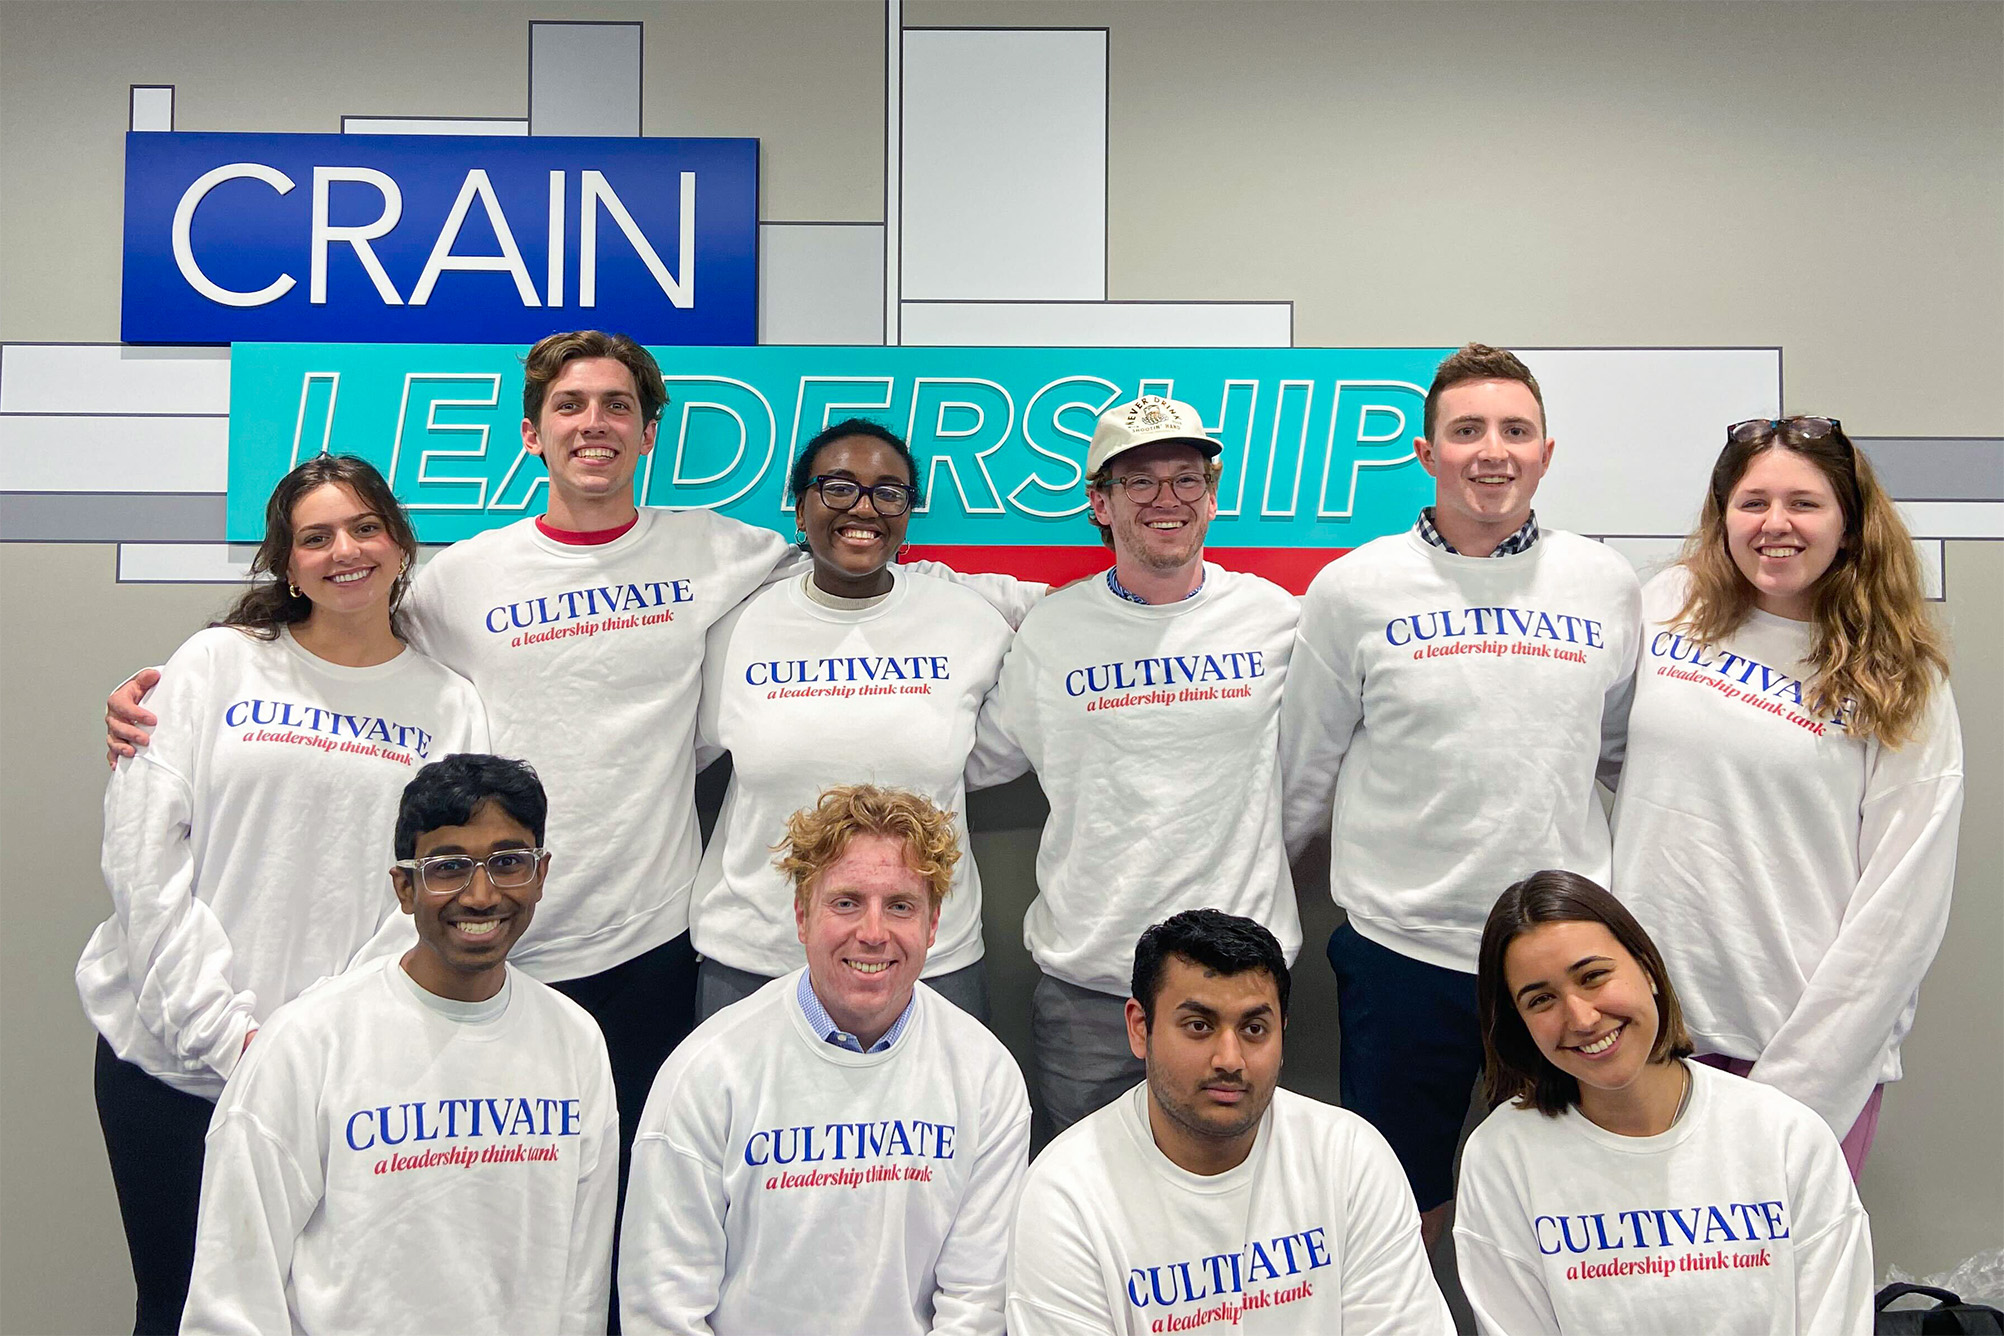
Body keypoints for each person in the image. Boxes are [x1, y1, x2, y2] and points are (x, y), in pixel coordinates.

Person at [76, 454, 487, 1335]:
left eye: (365, 527)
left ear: (400, 543)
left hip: (341, 1078)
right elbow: (144, 861)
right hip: (172, 1063)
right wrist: (232, 1038)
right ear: (285, 560)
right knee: (180, 1309)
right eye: (316, 536)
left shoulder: (450, 704)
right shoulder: (216, 665)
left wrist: (311, 1050)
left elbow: (433, 895)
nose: (345, 550)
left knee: (322, 1314)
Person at [1279, 343, 1641, 1247]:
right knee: (1403, 1206)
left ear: (1546, 454)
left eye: (1515, 431)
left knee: (1570, 1194)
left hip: (1560, 960)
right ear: (1427, 452)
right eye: (1467, 430)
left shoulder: (1604, 584)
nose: (1493, 451)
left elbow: (1625, 755)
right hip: (1405, 954)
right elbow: (1300, 773)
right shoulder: (1355, 587)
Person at [1609, 415, 1962, 1176]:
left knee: (1778, 1289)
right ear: (1722, 515)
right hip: (1646, 1037)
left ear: (1849, 523)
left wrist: (1804, 1083)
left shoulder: (1901, 675)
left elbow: (1904, 903)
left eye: (1804, 503)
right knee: (1634, 1286)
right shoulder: (1664, 605)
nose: (1776, 524)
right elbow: (1594, 749)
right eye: (1752, 502)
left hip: (1799, 1046)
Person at [180, 754, 618, 1335]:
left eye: (508, 863)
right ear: (405, 887)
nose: (482, 895)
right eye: (447, 867)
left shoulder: (575, 1040)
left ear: (540, 875)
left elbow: (580, 1290)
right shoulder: (307, 1044)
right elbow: (231, 1298)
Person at [976, 394, 1301, 1134]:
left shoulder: (1277, 620)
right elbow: (968, 760)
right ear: (1100, 503)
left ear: (1212, 499)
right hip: (1092, 987)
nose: (1167, 500)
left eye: (1187, 479)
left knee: (1236, 1206)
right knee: (1087, 1207)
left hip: (1238, 982)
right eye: (1139, 482)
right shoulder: (1053, 630)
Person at [619, 785, 1030, 1335]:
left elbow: (977, 1305)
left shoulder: (987, 1077)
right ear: (802, 916)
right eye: (846, 902)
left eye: (901, 906)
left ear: (933, 926)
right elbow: (662, 1307)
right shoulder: (709, 1072)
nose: (873, 933)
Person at [689, 419, 1018, 1022]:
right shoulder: (735, 628)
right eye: (837, 487)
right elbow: (677, 756)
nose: (862, 507)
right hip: (757, 961)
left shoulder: (967, 619)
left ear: (908, 514)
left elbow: (1057, 636)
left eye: (888, 492)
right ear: (800, 503)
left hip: (926, 963)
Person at [1454, 870, 1872, 1335]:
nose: (1582, 1017)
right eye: (1541, 1000)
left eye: (1593, 976)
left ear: (1648, 968)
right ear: (1520, 1023)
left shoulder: (1785, 1134)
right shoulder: (1501, 1157)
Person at [1006, 909, 1451, 1335]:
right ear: (1140, 1028)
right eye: (1199, 1026)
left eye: (1254, 1029)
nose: (1230, 1060)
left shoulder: (1351, 1158)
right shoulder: (1065, 1192)